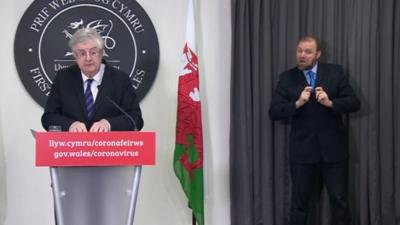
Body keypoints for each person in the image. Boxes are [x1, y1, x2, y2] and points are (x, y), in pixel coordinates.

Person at [269, 36, 360, 225]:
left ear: (318, 54)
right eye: (299, 50)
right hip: (302, 153)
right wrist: (297, 103)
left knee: (339, 201)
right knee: (300, 204)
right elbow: (274, 111)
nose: (302, 55)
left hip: (334, 151)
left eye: (308, 52)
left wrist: (331, 103)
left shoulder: (335, 73)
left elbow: (354, 102)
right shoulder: (287, 78)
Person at [42, 28, 143, 132]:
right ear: (75, 56)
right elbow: (48, 117)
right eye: (82, 53)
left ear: (101, 53)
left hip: (109, 146)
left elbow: (136, 119)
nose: (88, 58)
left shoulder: (120, 80)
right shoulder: (63, 78)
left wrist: (109, 124)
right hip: (72, 146)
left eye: (93, 52)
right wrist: (70, 125)